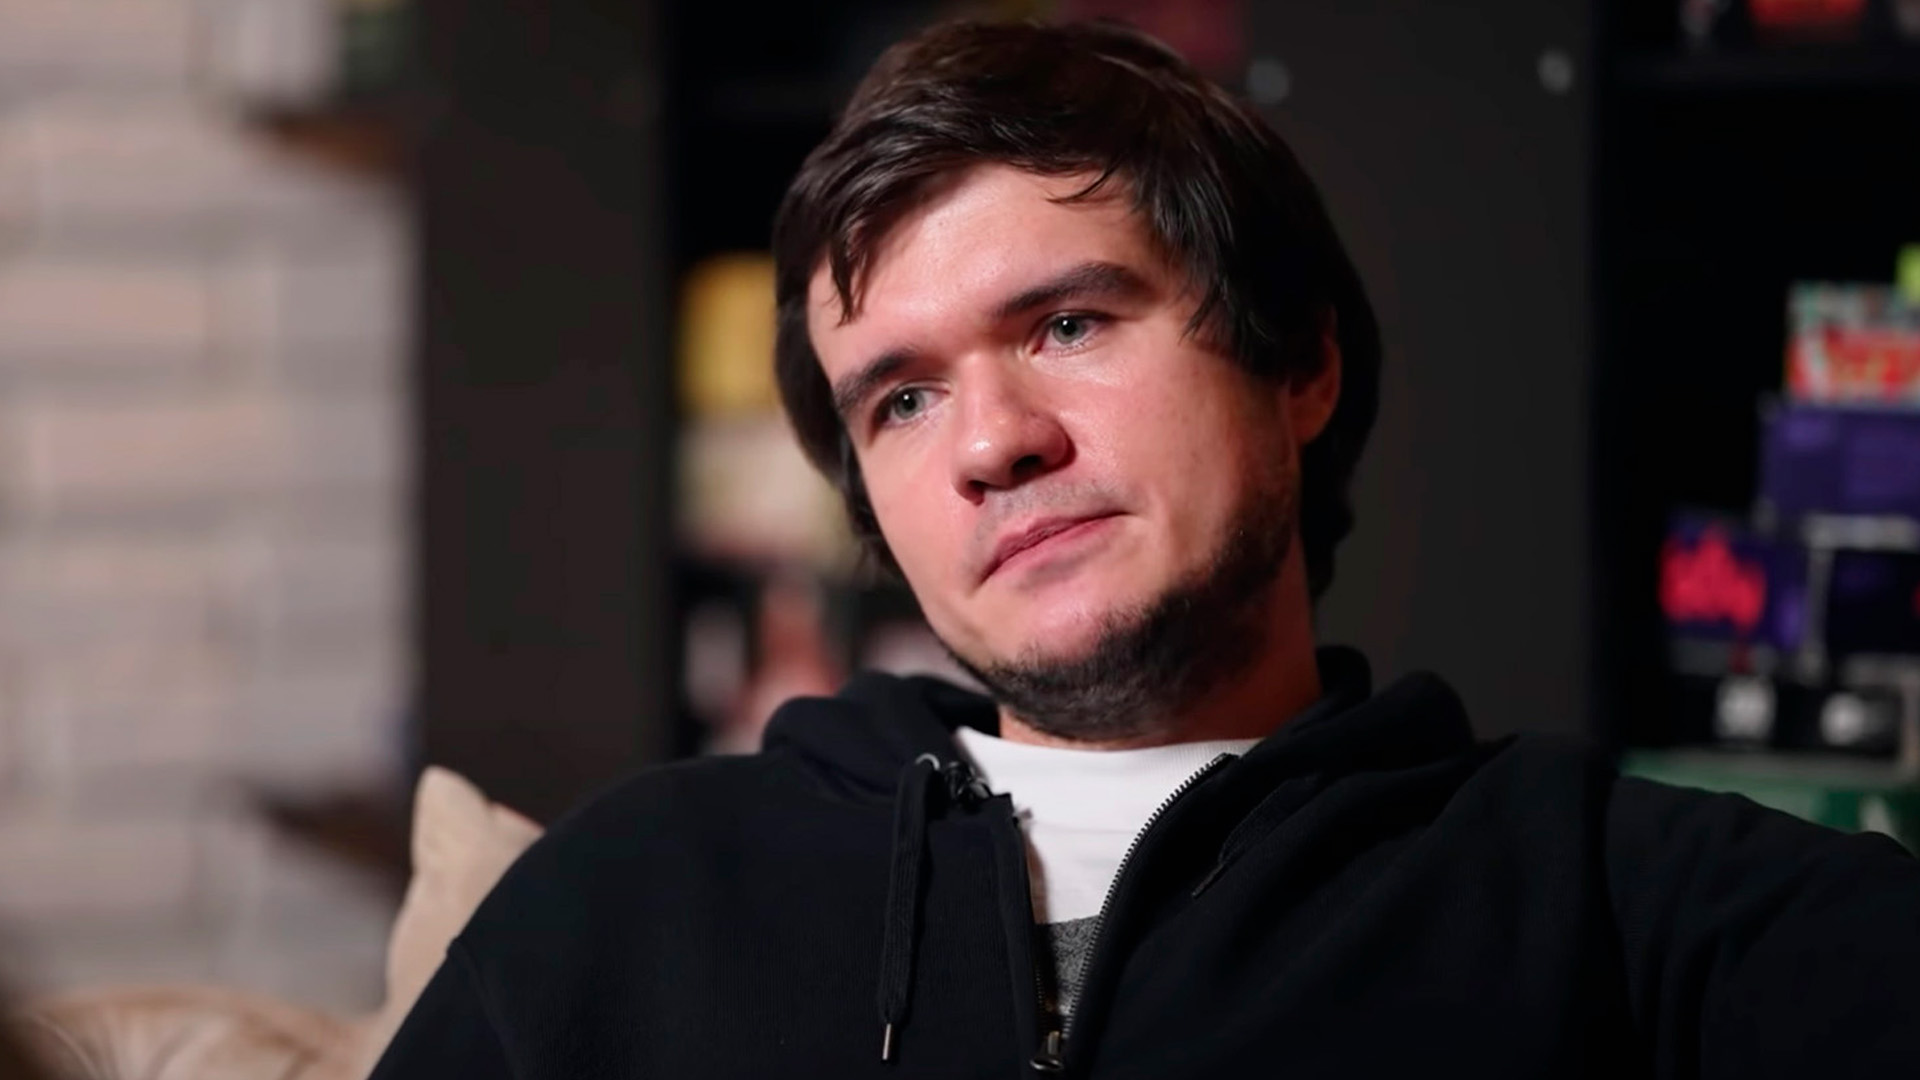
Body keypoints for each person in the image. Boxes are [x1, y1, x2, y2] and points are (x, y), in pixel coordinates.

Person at [371, 18, 1920, 1078]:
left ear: (1298, 365)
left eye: (1067, 323)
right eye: (902, 399)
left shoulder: (1622, 907)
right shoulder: (634, 898)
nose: (991, 443)